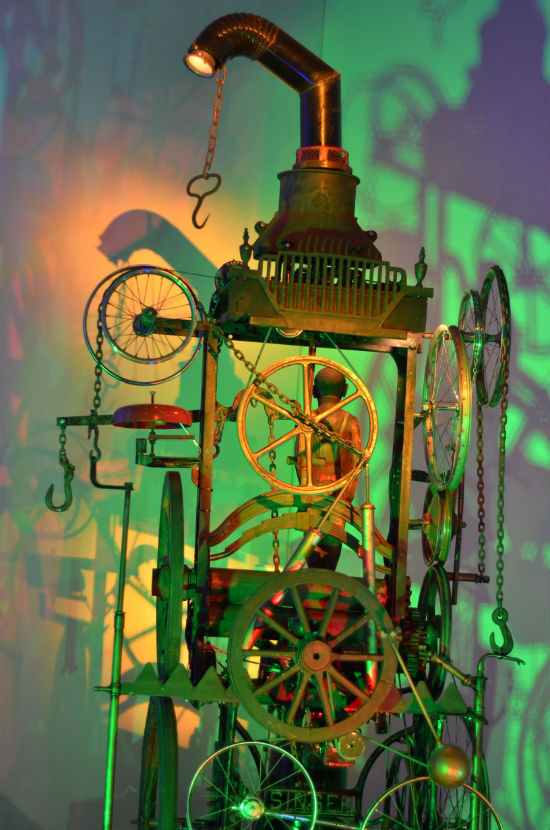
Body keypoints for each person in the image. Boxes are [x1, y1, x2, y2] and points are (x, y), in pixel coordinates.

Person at [294, 367, 363, 569]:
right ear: (346, 390)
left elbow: (300, 462)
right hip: (339, 501)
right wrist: (346, 498)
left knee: (313, 558)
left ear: (314, 391)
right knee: (329, 562)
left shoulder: (305, 420)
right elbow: (356, 464)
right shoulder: (351, 421)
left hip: (311, 499)